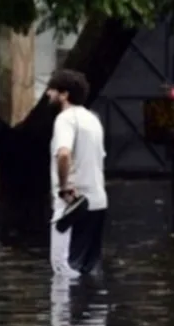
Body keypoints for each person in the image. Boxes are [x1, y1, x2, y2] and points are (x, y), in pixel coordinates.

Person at [46, 69, 108, 278]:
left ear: (64, 95)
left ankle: (65, 312)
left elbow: (63, 154)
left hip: (73, 205)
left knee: (64, 271)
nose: (48, 94)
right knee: (89, 271)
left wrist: (64, 189)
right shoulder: (93, 119)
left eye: (52, 90)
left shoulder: (65, 119)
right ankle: (93, 309)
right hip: (98, 203)